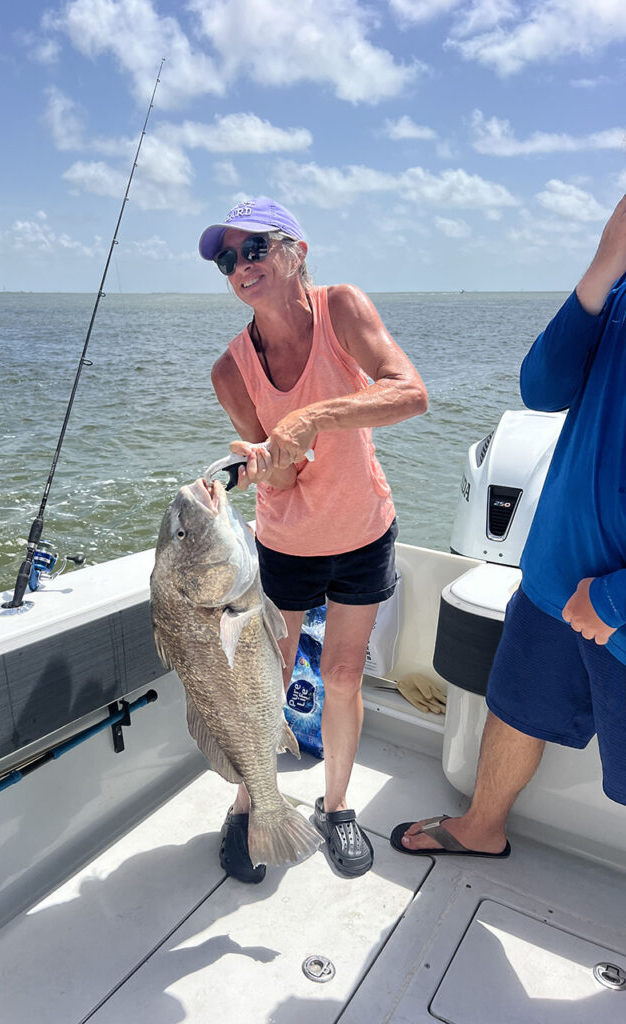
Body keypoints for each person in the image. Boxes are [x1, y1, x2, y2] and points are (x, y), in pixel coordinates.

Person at [198, 197, 428, 881]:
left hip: (364, 530)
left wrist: (310, 418)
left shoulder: (343, 308)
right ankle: (249, 805)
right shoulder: (230, 370)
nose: (240, 266)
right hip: (286, 542)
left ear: (296, 250)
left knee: (343, 676)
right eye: (226, 259)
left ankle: (337, 808)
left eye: (254, 249)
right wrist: (269, 462)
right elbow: (288, 473)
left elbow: (411, 393)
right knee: (261, 682)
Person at [392, 193, 626, 859]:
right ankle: (480, 825)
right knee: (516, 707)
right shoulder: (618, 291)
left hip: (615, 606)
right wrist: (603, 266)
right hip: (555, 576)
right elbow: (541, 387)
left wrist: (612, 601)